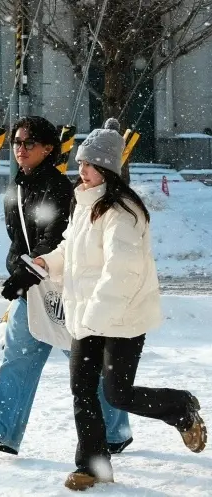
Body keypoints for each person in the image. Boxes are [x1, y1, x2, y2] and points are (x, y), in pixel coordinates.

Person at [34, 118, 207, 491]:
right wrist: (50, 261)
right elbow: (72, 250)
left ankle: (180, 407)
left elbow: (121, 273)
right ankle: (93, 465)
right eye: (80, 163)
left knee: (117, 393)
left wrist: (95, 314)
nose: (82, 170)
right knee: (82, 390)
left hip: (123, 317)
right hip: (87, 316)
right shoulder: (85, 204)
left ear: (108, 169)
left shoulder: (123, 213)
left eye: (90, 164)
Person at [0, 116, 133, 456]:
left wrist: (27, 271)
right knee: (17, 360)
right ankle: (2, 432)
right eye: (17, 142)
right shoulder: (15, 188)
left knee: (86, 367)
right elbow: (20, 240)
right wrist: (19, 270)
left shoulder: (58, 189)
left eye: (29, 143)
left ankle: (115, 431)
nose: (20, 149)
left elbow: (54, 240)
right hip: (30, 290)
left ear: (48, 149)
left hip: (61, 292)